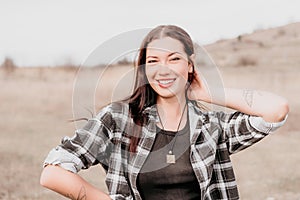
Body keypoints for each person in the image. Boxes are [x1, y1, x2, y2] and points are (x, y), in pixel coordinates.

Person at [40, 25, 289, 200]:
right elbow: (53, 173)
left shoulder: (211, 127)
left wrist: (208, 94)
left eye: (174, 59)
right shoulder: (118, 119)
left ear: (190, 65)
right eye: (153, 61)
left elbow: (276, 110)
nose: (163, 70)